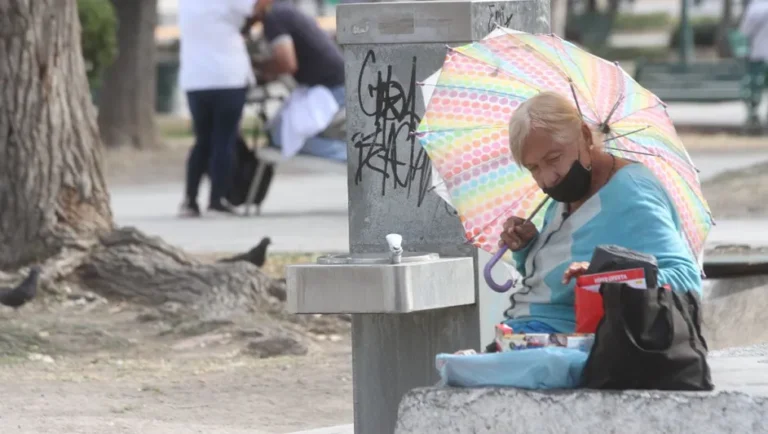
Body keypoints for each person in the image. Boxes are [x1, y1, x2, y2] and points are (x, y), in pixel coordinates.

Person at [497, 92, 702, 335]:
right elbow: (552, 281)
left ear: (584, 136)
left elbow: (686, 279)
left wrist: (610, 278)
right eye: (533, 168)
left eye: (553, 158)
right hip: (526, 330)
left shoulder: (631, 193)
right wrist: (527, 248)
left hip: (576, 342)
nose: (547, 178)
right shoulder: (567, 196)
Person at [177, 0, 263, 217]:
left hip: (195, 78)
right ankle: (217, 200)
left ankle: (189, 200)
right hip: (227, 77)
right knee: (224, 140)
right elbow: (259, 5)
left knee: (202, 141)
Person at [252, 0, 347, 162]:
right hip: (329, 83)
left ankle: (351, 156)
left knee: (287, 138)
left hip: (331, 87)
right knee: (281, 132)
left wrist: (260, 68)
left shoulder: (274, 16)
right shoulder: (283, 10)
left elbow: (287, 63)